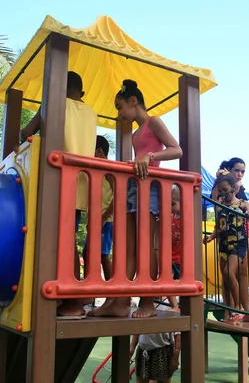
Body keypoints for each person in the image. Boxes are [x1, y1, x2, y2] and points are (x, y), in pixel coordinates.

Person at [89, 79, 182, 318]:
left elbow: (176, 149)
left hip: (149, 188)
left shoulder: (154, 122)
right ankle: (118, 300)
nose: (119, 113)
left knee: (144, 245)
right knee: (127, 246)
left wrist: (150, 156)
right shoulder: (134, 134)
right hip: (133, 186)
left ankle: (148, 302)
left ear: (133, 102)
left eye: (120, 107)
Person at [18, 71, 98, 317]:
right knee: (68, 238)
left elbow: (26, 132)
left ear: (59, 87)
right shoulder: (91, 112)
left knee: (54, 239)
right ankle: (71, 297)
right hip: (82, 183)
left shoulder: (53, 104)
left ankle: (69, 299)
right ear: (81, 93)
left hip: (56, 180)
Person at [211, 158, 249, 322]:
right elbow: (218, 217)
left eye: (242, 171)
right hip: (225, 238)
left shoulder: (241, 197)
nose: (240, 174)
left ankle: (243, 311)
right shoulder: (220, 191)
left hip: (240, 239)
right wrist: (212, 235)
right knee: (227, 276)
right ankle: (230, 311)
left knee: (237, 273)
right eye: (237, 170)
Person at [83, 135, 114, 281]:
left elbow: (119, 194)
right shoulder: (97, 171)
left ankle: (112, 294)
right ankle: (90, 290)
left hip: (105, 220)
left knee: (102, 255)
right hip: (96, 219)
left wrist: (104, 216)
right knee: (87, 253)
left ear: (99, 151)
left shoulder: (108, 170)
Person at [166, 185, 182, 312]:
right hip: (171, 257)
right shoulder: (170, 218)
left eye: (173, 204)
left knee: (182, 284)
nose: (170, 207)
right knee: (167, 279)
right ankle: (174, 306)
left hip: (182, 259)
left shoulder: (186, 219)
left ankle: (184, 305)